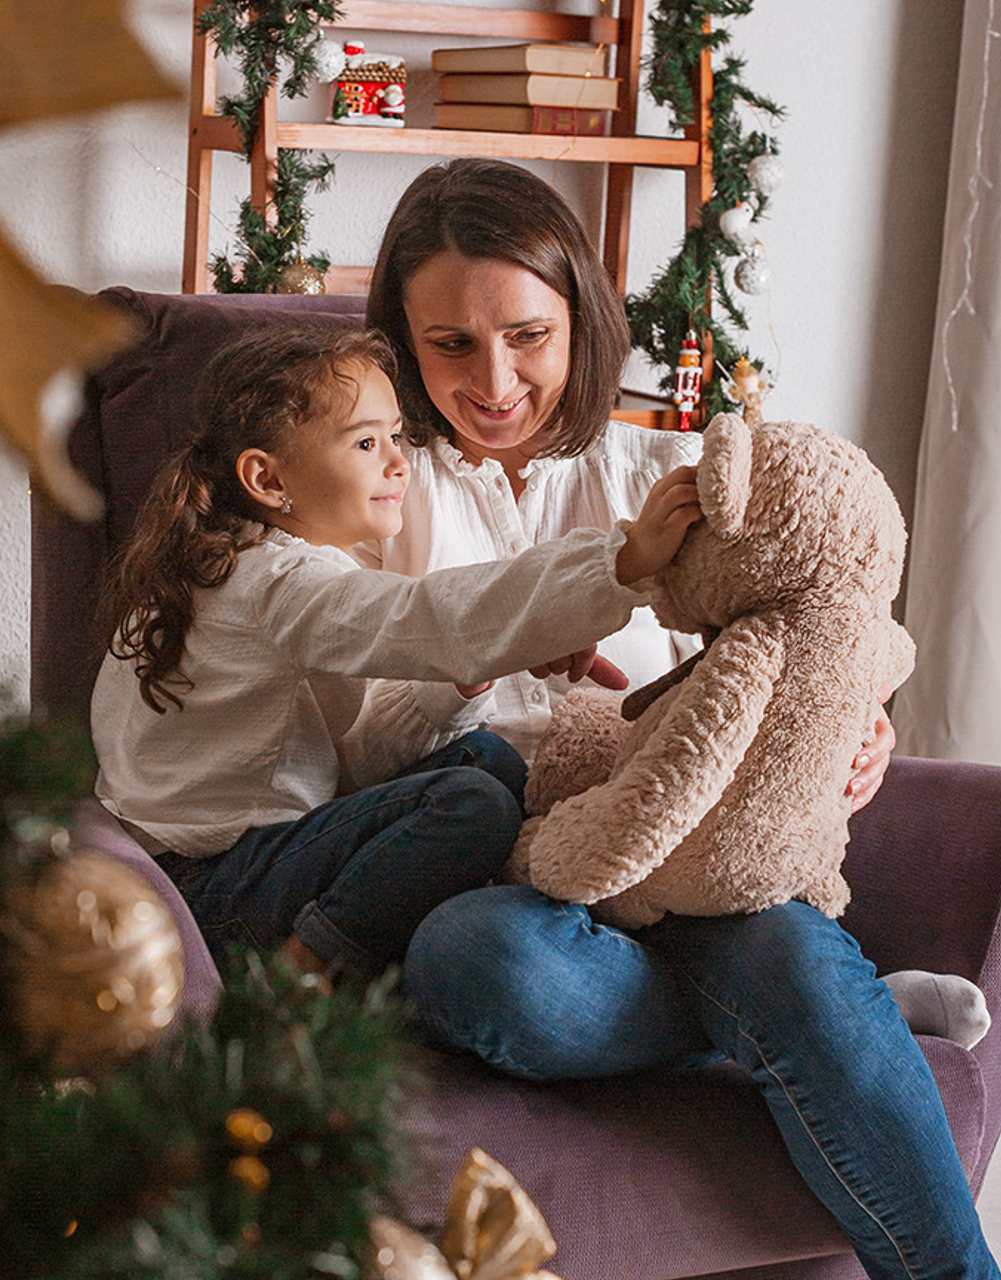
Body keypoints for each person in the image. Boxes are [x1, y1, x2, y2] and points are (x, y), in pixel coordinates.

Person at [361, 159, 998, 1280]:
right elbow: (349, 749)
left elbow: (808, 621)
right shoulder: (371, 487)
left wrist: (858, 722)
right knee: (471, 961)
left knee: (776, 938)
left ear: (579, 321)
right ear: (403, 341)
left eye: (526, 334)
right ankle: (818, 1019)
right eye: (449, 343)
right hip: (516, 883)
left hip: (708, 874)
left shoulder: (673, 478)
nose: (495, 378)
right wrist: (493, 654)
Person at [90, 322, 701, 981]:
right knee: (473, 803)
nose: (398, 461)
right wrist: (622, 561)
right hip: (213, 885)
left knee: (486, 759)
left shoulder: (217, 561)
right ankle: (302, 973)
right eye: (365, 442)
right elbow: (429, 617)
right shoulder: (278, 586)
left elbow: (357, 761)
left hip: (228, 861)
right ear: (268, 479)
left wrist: (475, 671)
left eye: (395, 435)